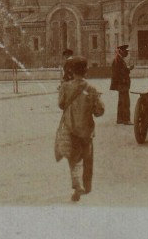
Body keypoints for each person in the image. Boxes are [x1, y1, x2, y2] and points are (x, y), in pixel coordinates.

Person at [57, 56, 104, 202]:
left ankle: (77, 185)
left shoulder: (65, 87)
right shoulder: (91, 89)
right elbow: (99, 111)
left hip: (71, 128)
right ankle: (87, 186)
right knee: (87, 158)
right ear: (86, 71)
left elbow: (61, 104)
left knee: (73, 159)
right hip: (86, 130)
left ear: (71, 71)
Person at [110, 44, 132, 124]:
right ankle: (126, 120)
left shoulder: (119, 59)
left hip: (122, 83)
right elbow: (118, 72)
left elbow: (120, 70)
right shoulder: (118, 59)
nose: (127, 53)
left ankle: (120, 119)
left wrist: (128, 68)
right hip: (123, 83)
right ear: (122, 51)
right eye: (126, 51)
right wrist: (127, 71)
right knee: (125, 101)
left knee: (121, 101)